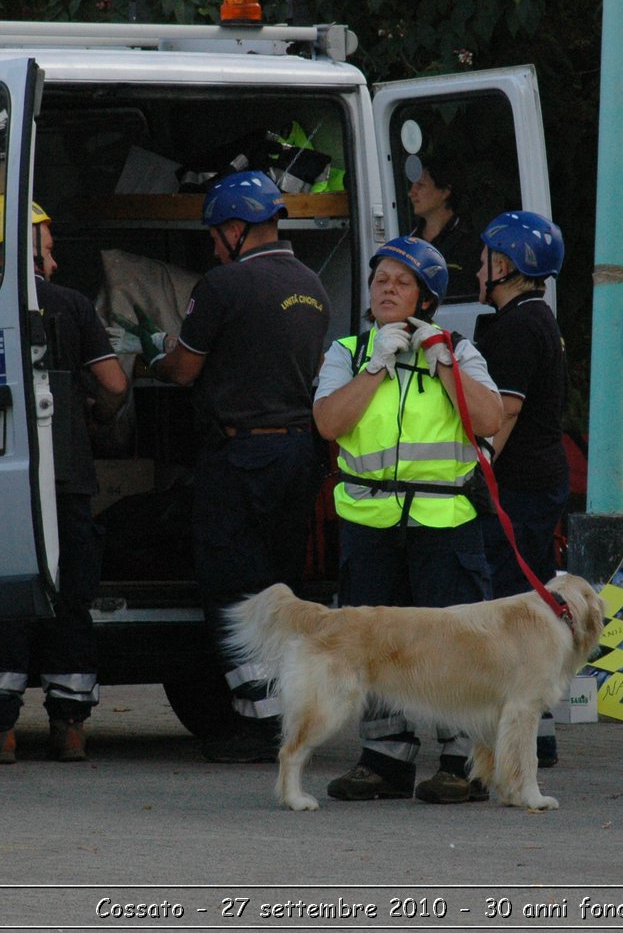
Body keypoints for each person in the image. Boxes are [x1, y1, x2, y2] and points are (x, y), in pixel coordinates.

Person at [145, 170, 331, 763]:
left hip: (241, 455)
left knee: (231, 589)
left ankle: (257, 725)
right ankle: (289, 715)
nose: (212, 245)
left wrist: (154, 358)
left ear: (233, 228)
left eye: (213, 234)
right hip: (299, 453)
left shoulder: (223, 285)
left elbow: (185, 370)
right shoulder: (314, 287)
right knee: (279, 586)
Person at [312, 235, 503, 803]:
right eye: (380, 281)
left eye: (401, 282)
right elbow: (328, 422)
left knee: (456, 644)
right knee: (372, 643)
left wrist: (441, 361)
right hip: (370, 520)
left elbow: (490, 418)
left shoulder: (460, 350)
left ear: (426, 298)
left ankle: (462, 762)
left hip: (444, 521)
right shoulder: (347, 352)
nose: (387, 289)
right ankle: (384, 760)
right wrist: (376, 367)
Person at [0, 199, 127, 763]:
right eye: (46, 244)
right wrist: (96, 413)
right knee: (70, 595)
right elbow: (114, 383)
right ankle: (69, 725)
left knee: (7, 591)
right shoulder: (72, 306)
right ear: (24, 247)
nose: (53, 255)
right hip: (66, 476)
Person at [473, 210, 570, 768]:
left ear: (505, 265)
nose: (479, 266)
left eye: (487, 257)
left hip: (518, 490)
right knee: (529, 607)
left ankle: (526, 736)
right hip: (541, 482)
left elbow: (502, 416)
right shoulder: (540, 319)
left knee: (510, 606)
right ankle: (539, 731)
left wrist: (474, 478)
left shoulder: (516, 327)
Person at [406, 158, 481, 301]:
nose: (411, 193)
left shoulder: (473, 243)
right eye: (412, 185)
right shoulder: (408, 242)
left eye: (420, 185)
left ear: (445, 192)